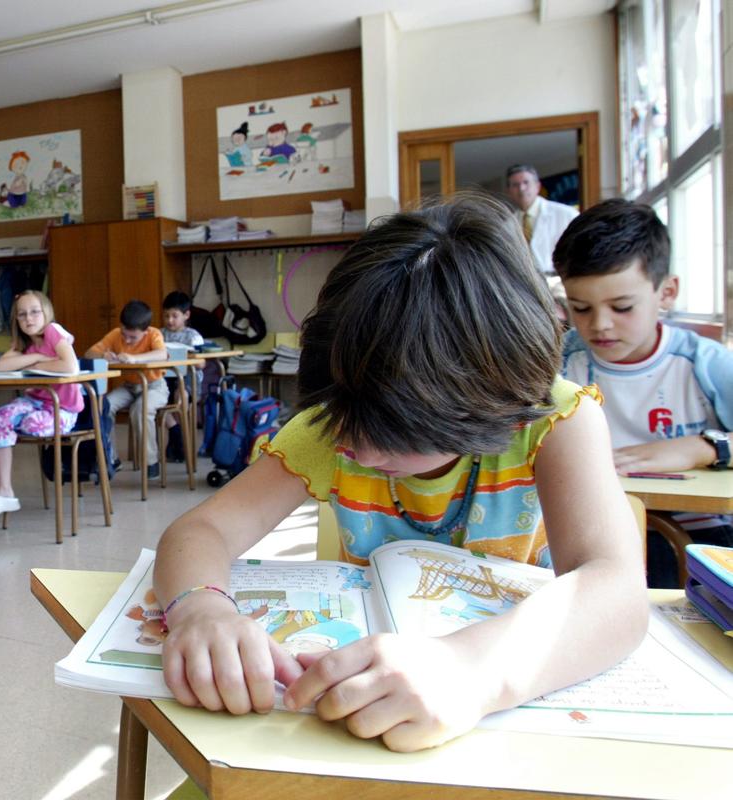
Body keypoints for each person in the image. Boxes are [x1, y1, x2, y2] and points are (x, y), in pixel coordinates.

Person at [152, 194, 647, 753]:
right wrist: (201, 608)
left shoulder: (556, 420)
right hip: (357, 710)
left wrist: (470, 669)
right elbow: (200, 532)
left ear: (491, 411)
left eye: (384, 436)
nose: (345, 445)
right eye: (337, 421)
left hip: (503, 705)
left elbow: (618, 589)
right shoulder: (338, 420)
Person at [554, 198, 733, 587]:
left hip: (700, 538)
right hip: (591, 535)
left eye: (622, 307)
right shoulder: (561, 366)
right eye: (580, 308)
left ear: (666, 292)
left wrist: (704, 447)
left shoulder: (706, 364)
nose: (600, 325)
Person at [0, 290, 82, 516]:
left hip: (61, 409)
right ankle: (5, 492)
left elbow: (70, 366)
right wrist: (37, 358)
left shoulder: (53, 331)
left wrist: (29, 366)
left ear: (47, 313)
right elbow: (2, 366)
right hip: (34, 402)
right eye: (22, 314)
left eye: (35, 312)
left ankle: (1, 436)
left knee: (30, 423)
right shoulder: (24, 341)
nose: (29, 319)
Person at [86, 300, 169, 479]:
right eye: (125, 334)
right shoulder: (116, 334)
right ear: (121, 326)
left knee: (140, 410)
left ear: (145, 331)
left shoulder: (154, 334)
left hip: (155, 386)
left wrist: (134, 358)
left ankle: (151, 461)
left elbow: (162, 354)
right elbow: (89, 353)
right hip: (129, 387)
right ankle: (111, 458)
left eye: (133, 337)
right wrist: (103, 355)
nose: (127, 340)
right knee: (104, 406)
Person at [504, 163, 577, 275]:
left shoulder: (566, 214)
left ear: (537, 186)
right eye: (515, 185)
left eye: (526, 182)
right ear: (508, 192)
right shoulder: (506, 226)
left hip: (560, 280)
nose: (521, 188)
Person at [160, 291, 203, 463]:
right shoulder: (158, 334)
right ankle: (175, 430)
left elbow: (201, 364)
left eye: (174, 316)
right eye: (166, 316)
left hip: (187, 380)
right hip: (164, 378)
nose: (170, 320)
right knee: (150, 399)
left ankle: (181, 441)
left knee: (181, 398)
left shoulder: (193, 336)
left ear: (186, 315)